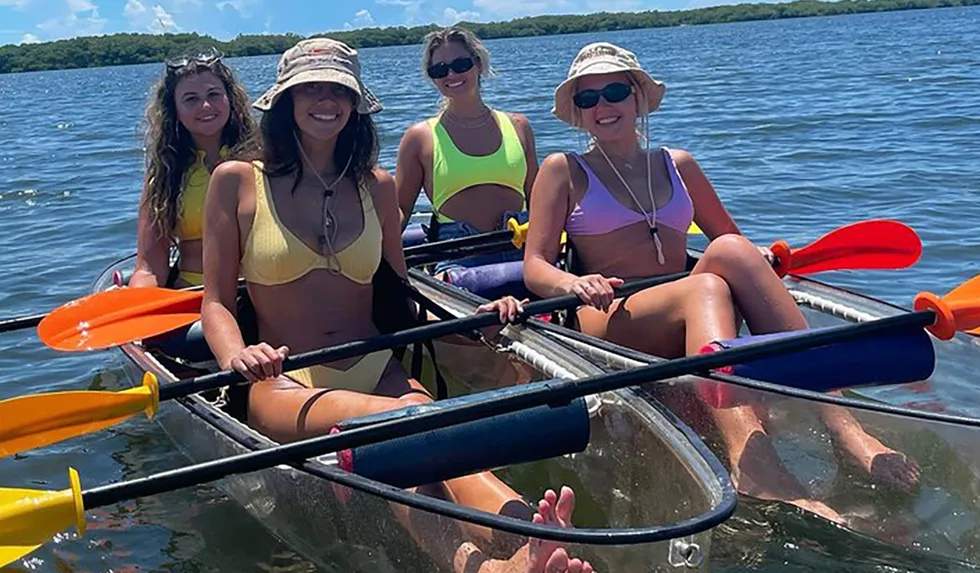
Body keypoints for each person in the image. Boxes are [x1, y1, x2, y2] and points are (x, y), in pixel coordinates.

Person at [200, 38, 592, 573]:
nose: (325, 99)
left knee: (432, 443)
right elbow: (217, 303)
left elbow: (401, 298)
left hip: (377, 365)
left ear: (355, 102)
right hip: (285, 380)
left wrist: (468, 322)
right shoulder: (237, 182)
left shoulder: (377, 187)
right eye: (309, 88)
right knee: (420, 420)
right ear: (285, 100)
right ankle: (518, 544)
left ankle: (523, 545)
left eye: (337, 89)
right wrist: (235, 359)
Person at [523, 42, 920, 525]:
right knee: (707, 288)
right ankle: (752, 463)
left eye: (613, 92)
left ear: (638, 98)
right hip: (613, 316)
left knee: (731, 252)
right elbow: (535, 267)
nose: (603, 107)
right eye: (588, 100)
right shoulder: (563, 169)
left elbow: (731, 240)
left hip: (681, 298)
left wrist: (765, 264)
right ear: (578, 113)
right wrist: (576, 280)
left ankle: (843, 429)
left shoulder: (678, 164)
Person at [395, 27, 539, 273]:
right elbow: (400, 210)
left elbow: (538, 199)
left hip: (522, 248)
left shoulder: (518, 127)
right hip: (458, 257)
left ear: (479, 64)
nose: (451, 74)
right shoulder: (419, 138)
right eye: (440, 70)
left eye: (461, 64)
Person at [130, 47, 258, 288]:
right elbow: (149, 269)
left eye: (214, 94)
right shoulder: (165, 175)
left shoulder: (263, 160)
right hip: (192, 295)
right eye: (191, 99)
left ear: (230, 99)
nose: (206, 106)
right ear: (174, 111)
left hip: (260, 292)